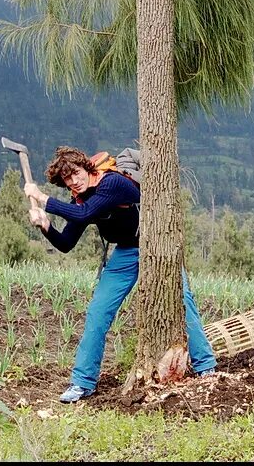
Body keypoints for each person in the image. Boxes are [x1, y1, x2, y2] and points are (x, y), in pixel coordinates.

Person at [24, 146, 218, 403]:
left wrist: (43, 199)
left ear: (87, 167)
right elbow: (66, 243)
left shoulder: (112, 183)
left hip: (157, 247)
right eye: (67, 179)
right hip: (126, 253)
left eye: (76, 173)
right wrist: (45, 225)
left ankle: (206, 368)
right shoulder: (82, 199)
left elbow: (83, 214)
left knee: (182, 303)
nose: (74, 180)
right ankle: (83, 383)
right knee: (98, 312)